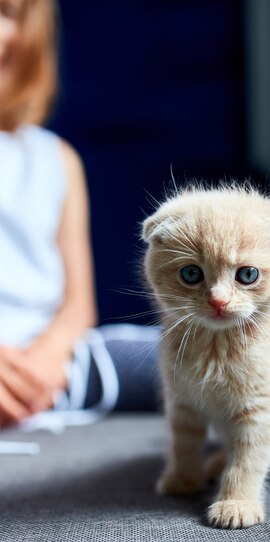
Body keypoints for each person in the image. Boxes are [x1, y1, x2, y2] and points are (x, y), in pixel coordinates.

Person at [0, 0, 159, 428]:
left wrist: (47, 362)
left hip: (57, 364)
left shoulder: (56, 160)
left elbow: (77, 307)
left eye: (4, 12)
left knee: (200, 357)